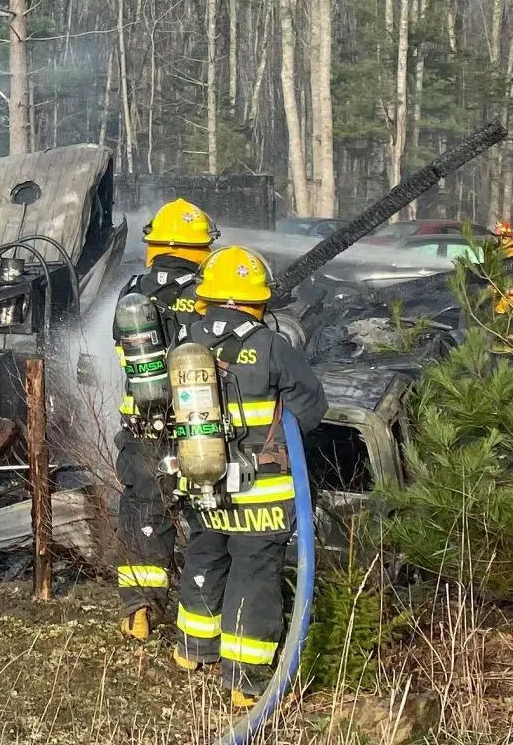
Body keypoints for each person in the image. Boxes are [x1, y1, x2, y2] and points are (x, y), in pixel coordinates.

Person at [171, 245, 326, 708]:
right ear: (258, 300)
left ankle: (193, 651)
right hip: (260, 488)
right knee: (254, 571)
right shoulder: (271, 344)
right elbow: (311, 408)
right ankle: (244, 678)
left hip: (201, 481)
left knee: (205, 556)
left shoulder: (186, 342)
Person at [111, 199, 216, 641]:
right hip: (199, 430)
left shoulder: (133, 293)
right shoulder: (207, 294)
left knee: (144, 512)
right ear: (202, 248)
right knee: (206, 519)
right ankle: (202, 622)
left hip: (143, 429)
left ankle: (139, 612)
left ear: (153, 245)